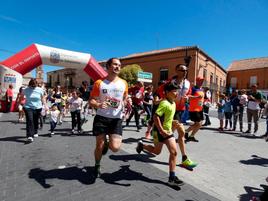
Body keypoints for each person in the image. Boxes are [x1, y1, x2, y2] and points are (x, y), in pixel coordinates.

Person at [136, 81, 184, 187]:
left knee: (174, 152)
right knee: (156, 152)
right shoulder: (164, 103)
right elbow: (155, 117)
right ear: (167, 92)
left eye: (177, 91)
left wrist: (173, 123)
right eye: (174, 91)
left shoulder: (174, 103)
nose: (177, 93)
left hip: (168, 132)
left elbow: (167, 118)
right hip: (159, 131)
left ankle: (172, 177)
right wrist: (161, 130)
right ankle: (142, 145)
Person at [89, 58, 129, 178]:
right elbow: (91, 100)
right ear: (108, 67)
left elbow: (125, 98)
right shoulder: (99, 83)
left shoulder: (124, 83)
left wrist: (126, 102)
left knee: (115, 148)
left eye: (119, 65)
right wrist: (98, 104)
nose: (118, 67)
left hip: (116, 119)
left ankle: (108, 144)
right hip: (101, 118)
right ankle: (97, 165)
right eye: (115, 64)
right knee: (99, 146)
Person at [185, 77, 204, 142]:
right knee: (198, 124)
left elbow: (201, 99)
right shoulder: (193, 89)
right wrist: (197, 97)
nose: (202, 82)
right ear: (197, 81)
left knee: (199, 124)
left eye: (202, 81)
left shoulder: (201, 89)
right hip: (194, 109)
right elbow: (188, 97)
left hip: (200, 109)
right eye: (200, 80)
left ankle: (189, 134)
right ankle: (189, 134)